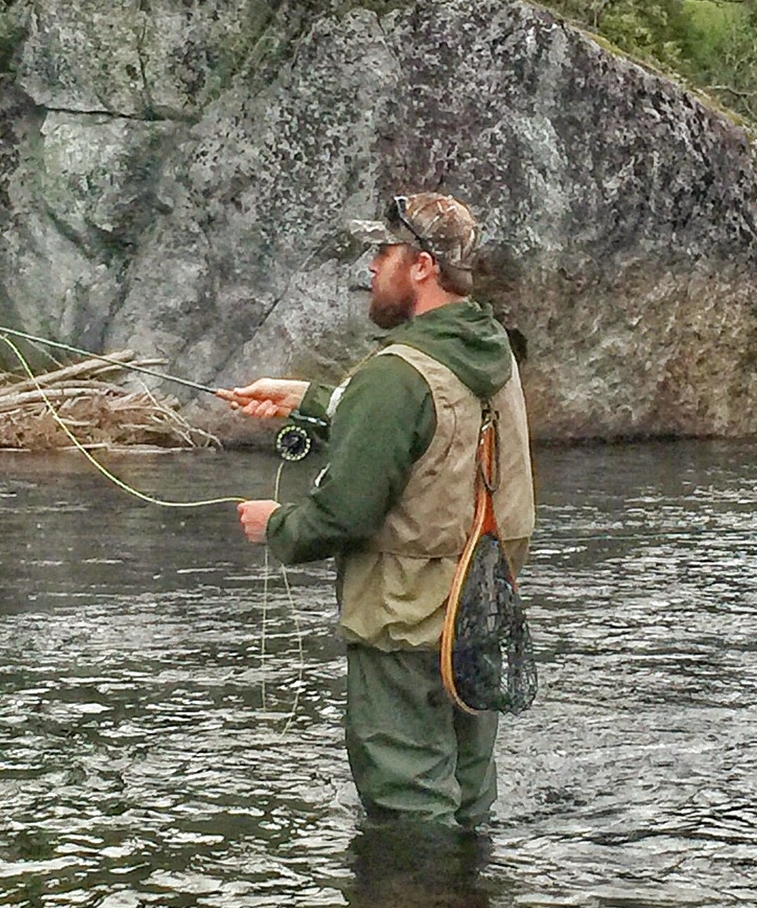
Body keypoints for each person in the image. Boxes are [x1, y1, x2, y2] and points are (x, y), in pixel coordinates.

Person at [222, 191, 534, 829]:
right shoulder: (490, 350)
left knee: (409, 808)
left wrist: (274, 525)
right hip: (477, 615)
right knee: (467, 798)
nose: (371, 268)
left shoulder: (394, 375)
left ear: (420, 266)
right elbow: (433, 438)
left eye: (384, 252)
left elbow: (345, 515)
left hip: (405, 629)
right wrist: (307, 400)